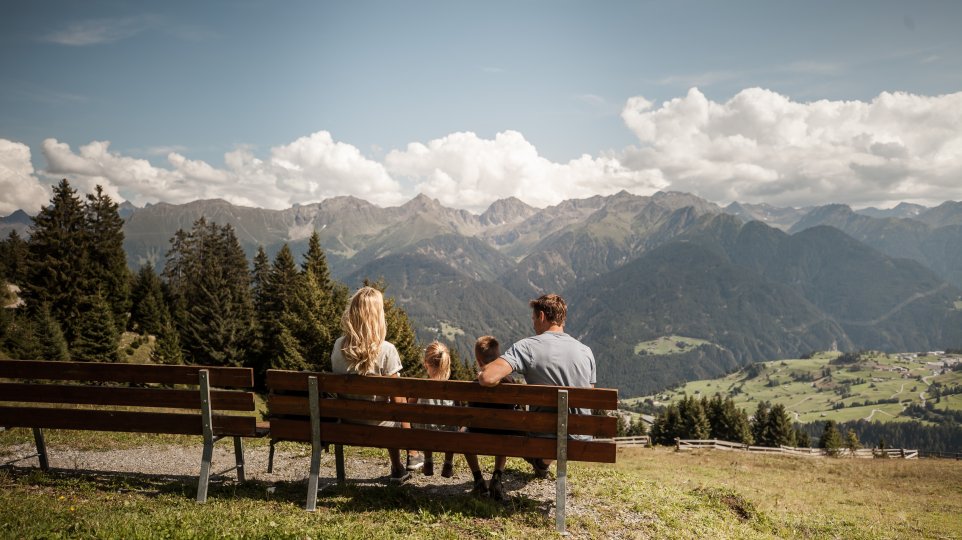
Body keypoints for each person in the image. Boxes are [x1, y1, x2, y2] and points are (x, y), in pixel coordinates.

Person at [477, 293, 596, 478]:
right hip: (580, 437)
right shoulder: (586, 351)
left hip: (542, 437)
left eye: (533, 318)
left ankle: (539, 461)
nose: (533, 324)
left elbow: (488, 378)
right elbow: (590, 397)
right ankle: (542, 463)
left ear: (541, 316)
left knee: (513, 419)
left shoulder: (526, 347)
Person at [330, 286, 411, 483]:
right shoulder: (387, 350)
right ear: (378, 315)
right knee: (395, 413)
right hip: (380, 425)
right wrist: (411, 439)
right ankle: (397, 467)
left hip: (346, 422)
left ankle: (397, 468)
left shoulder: (338, 345)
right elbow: (398, 400)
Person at [463, 335, 515, 499]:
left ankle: (478, 479)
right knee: (505, 427)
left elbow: (470, 415)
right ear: (499, 358)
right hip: (503, 437)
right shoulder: (510, 383)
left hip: (477, 435)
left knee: (464, 431)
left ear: (478, 361)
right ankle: (497, 477)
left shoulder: (473, 386)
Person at [413, 341, 457, 478]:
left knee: (425, 424)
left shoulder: (421, 387)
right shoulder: (453, 390)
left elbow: (410, 406)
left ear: (426, 363)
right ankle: (448, 463)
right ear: (446, 363)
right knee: (453, 424)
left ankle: (428, 462)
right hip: (448, 433)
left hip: (425, 432)